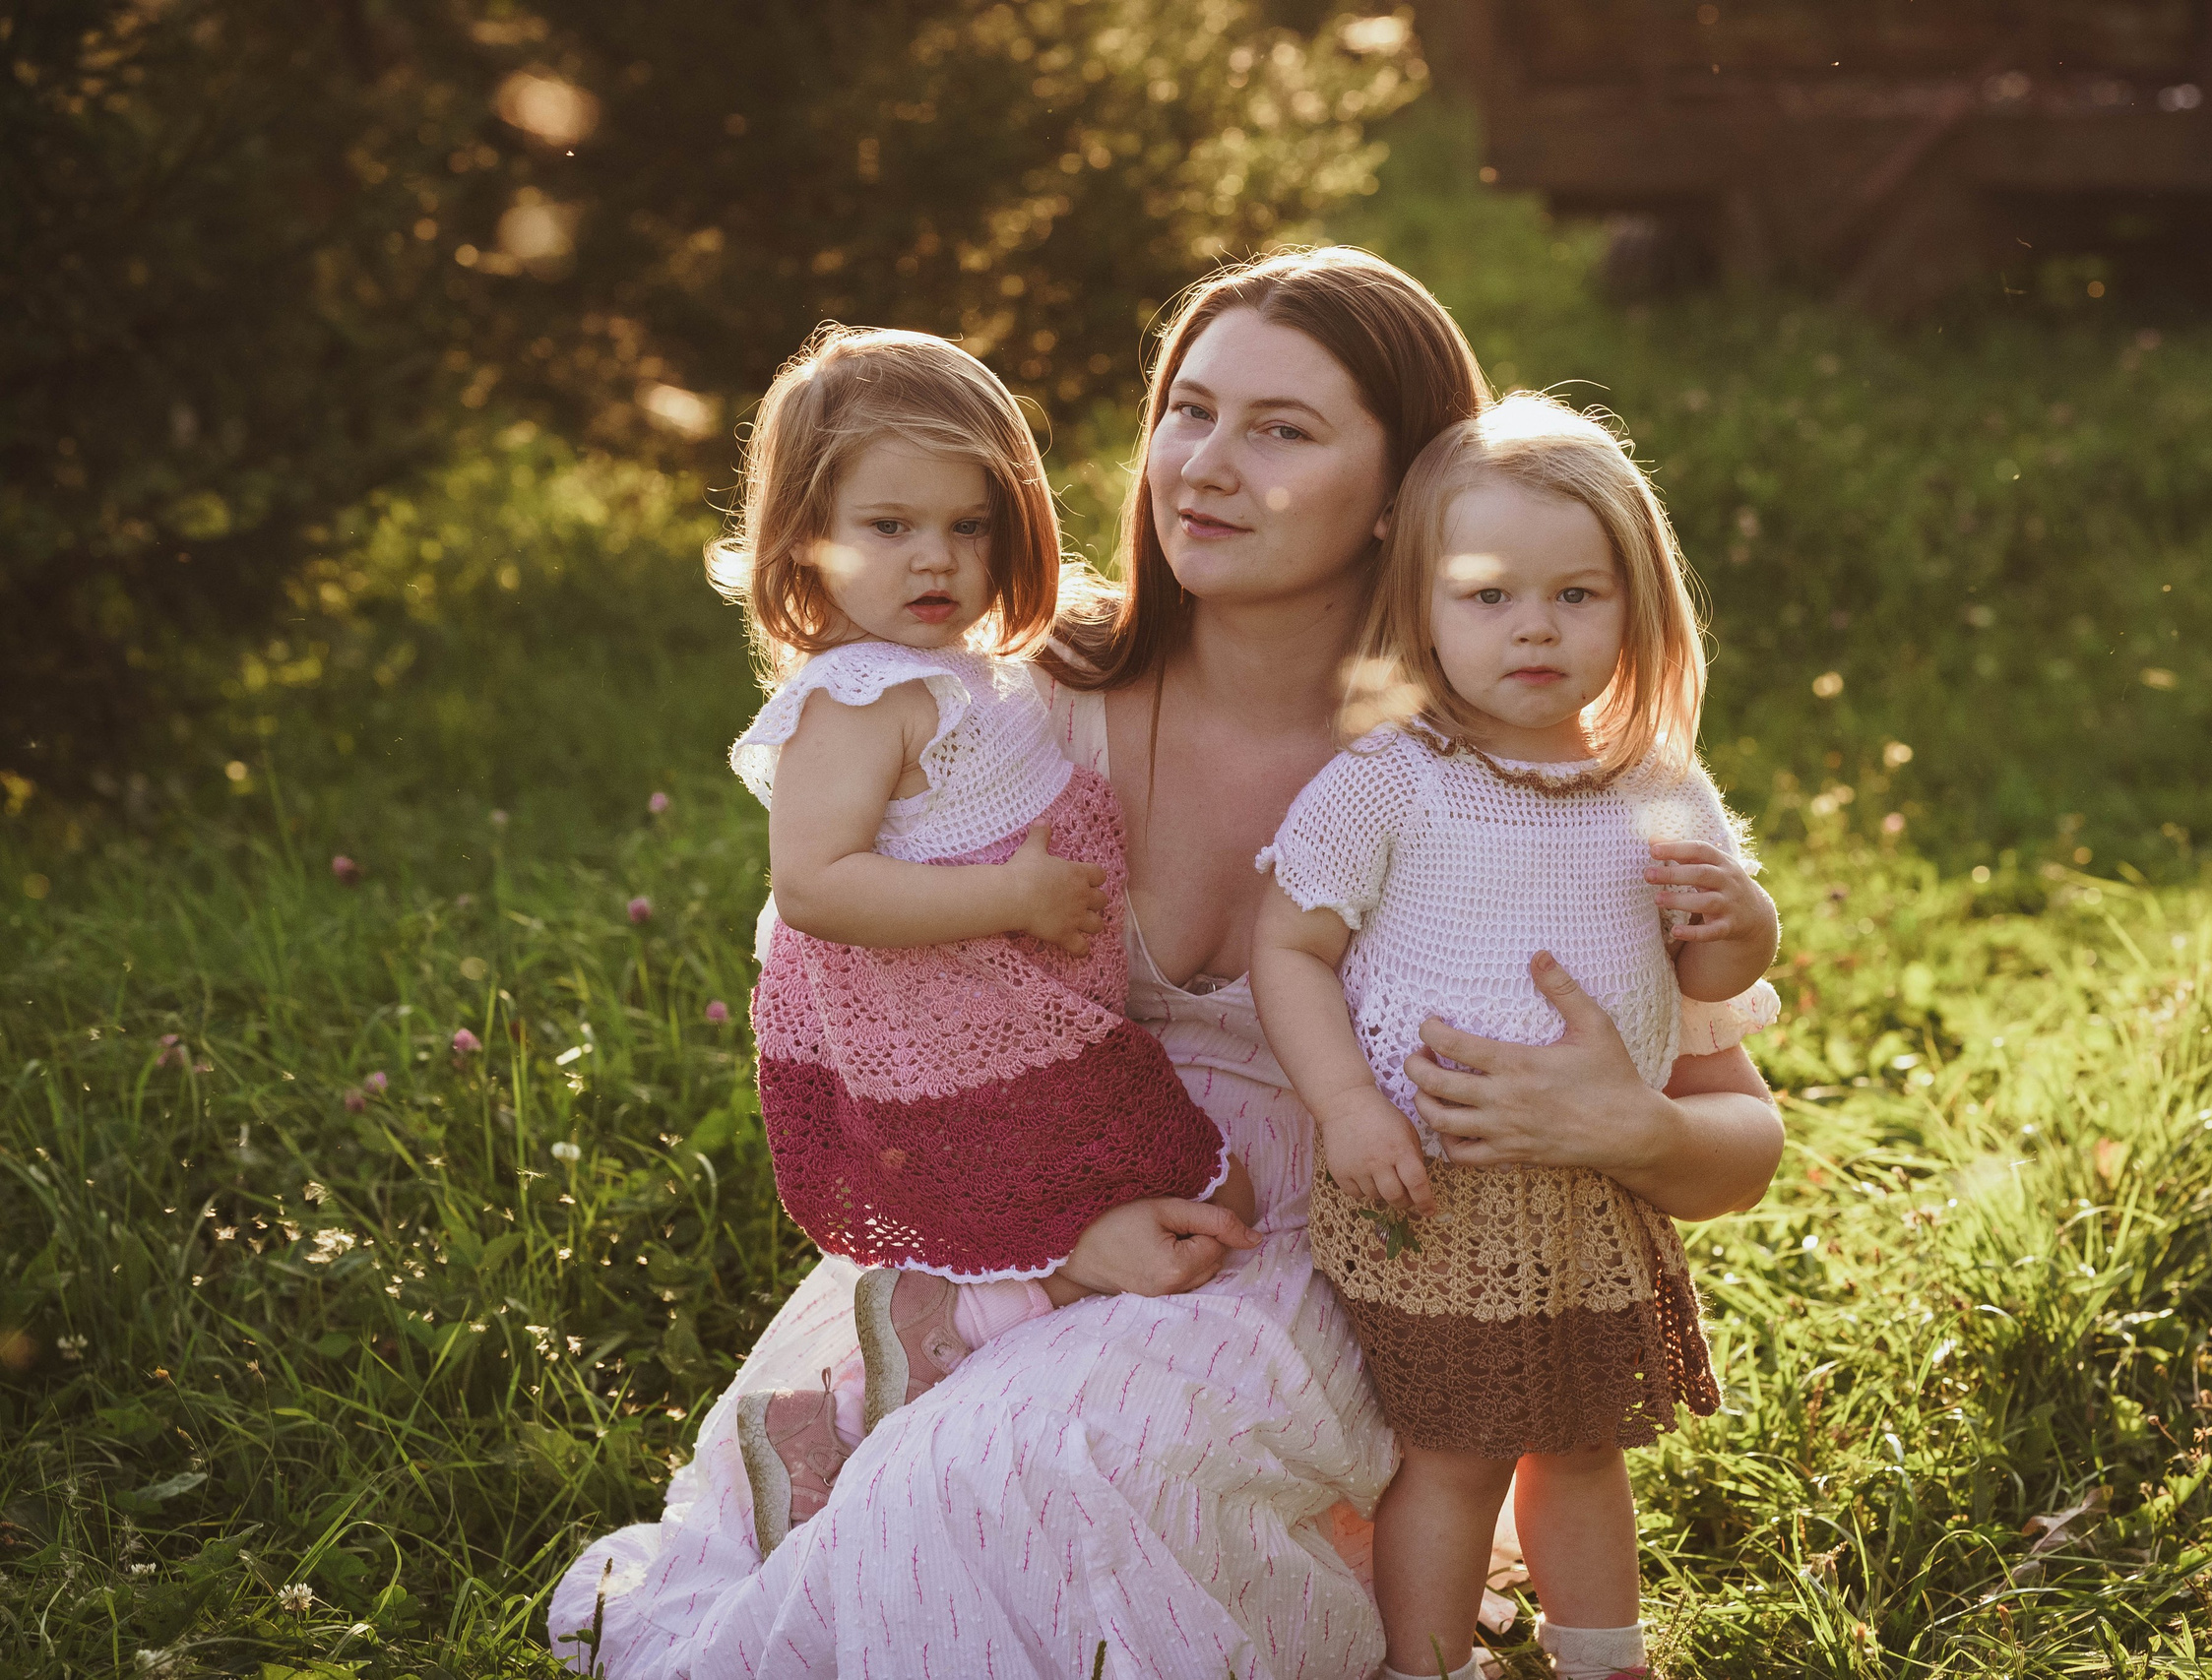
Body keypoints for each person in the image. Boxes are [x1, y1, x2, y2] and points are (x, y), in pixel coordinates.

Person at [549, 247, 1786, 1680]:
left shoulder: (1514, 764)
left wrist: (1628, 1128)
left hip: (1341, 1231)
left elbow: (1740, 1138)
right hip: (1017, 1196)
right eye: (1189, 409)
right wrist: (1057, 1232)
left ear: (1403, 494)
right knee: (902, 1501)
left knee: (1021, 1474)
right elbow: (859, 1021)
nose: (1203, 463)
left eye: (1282, 429)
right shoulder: (1014, 701)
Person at [1250, 393, 1780, 1680]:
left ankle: (1604, 1654)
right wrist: (1347, 1104)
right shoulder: (1395, 780)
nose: (1534, 625)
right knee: (1452, 1452)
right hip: (1436, 1194)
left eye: (1577, 594)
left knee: (1585, 1444)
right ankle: (1425, 1664)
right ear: (1419, 607)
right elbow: (1290, 945)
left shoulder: (1661, 786)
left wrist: (1745, 924)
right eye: (1486, 595)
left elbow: (1704, 971)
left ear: (1636, 607)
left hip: (1593, 1189)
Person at [710, 325, 1262, 1558]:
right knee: (1056, 1210)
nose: (938, 560)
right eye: (891, 527)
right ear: (803, 537)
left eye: (970, 527)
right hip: (942, 1030)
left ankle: (905, 1375)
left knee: (1079, 1205)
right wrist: (1010, 901)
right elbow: (815, 885)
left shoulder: (959, 667)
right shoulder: (856, 697)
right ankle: (853, 1403)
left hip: (1007, 1006)